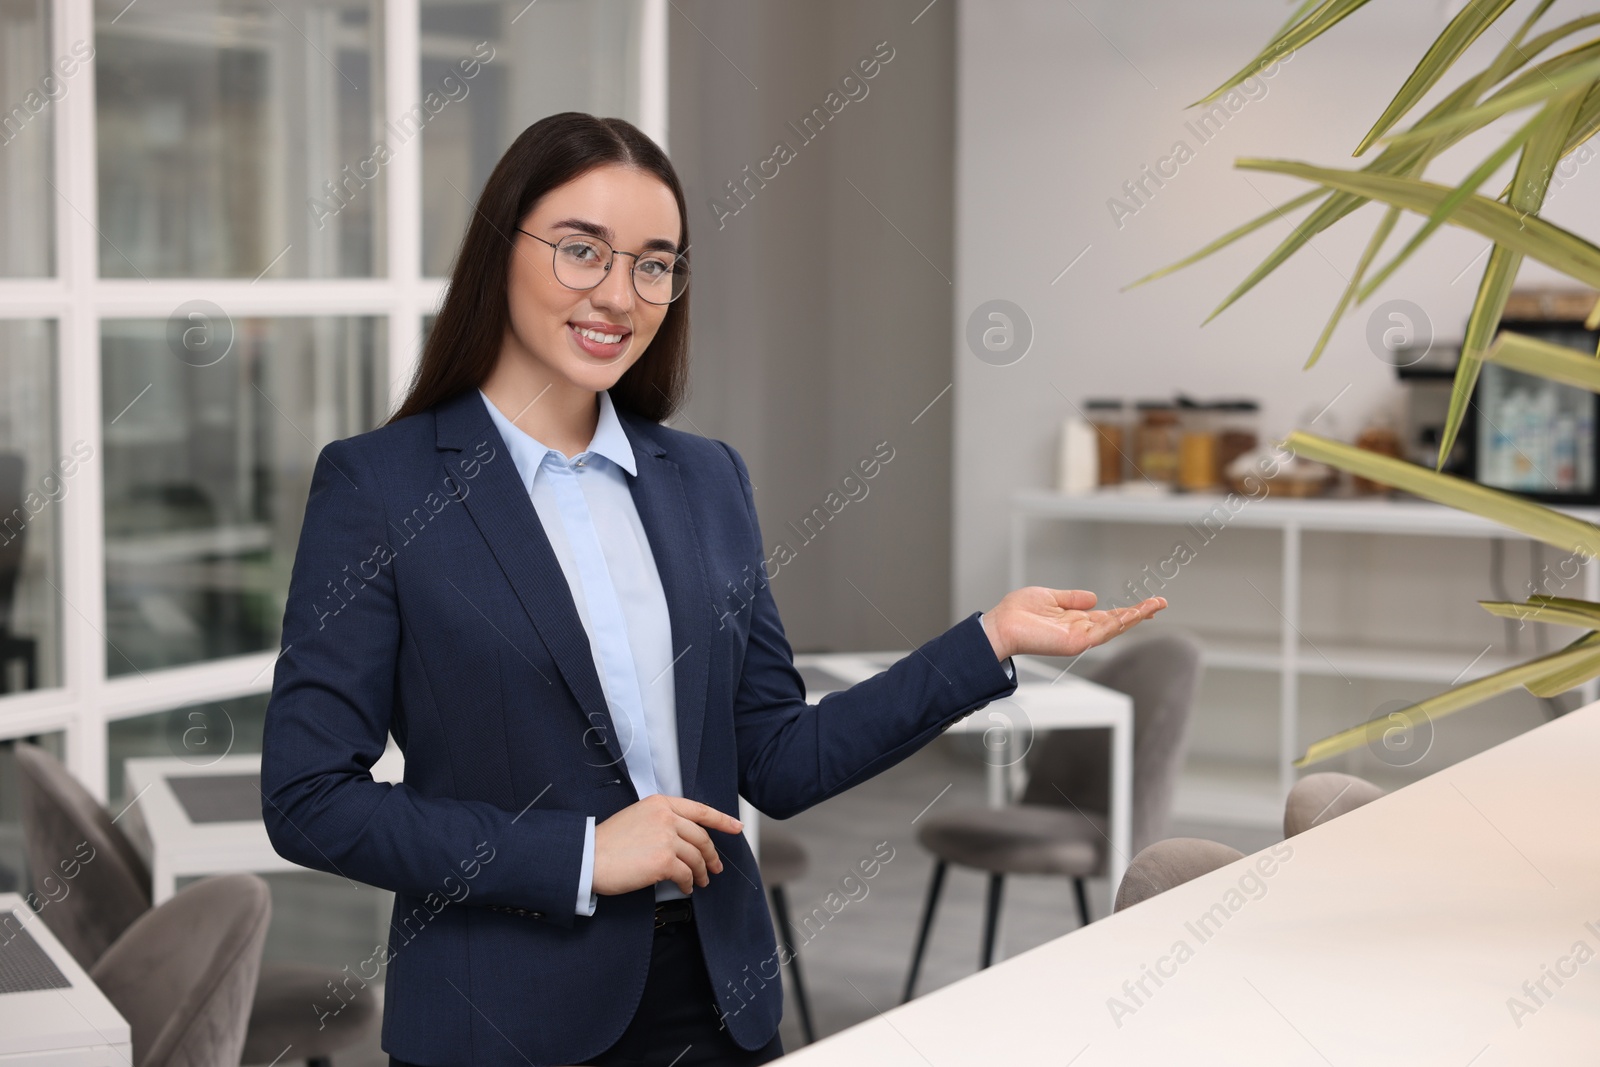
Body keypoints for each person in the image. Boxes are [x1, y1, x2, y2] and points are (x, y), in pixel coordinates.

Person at [260, 111, 1165, 1067]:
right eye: (582, 251)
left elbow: (775, 753)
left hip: (716, 1000)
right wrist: (581, 855)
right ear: (500, 251)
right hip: (501, 1023)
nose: (619, 294)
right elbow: (310, 796)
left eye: (655, 263)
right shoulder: (380, 485)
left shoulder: (705, 478)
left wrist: (985, 641)